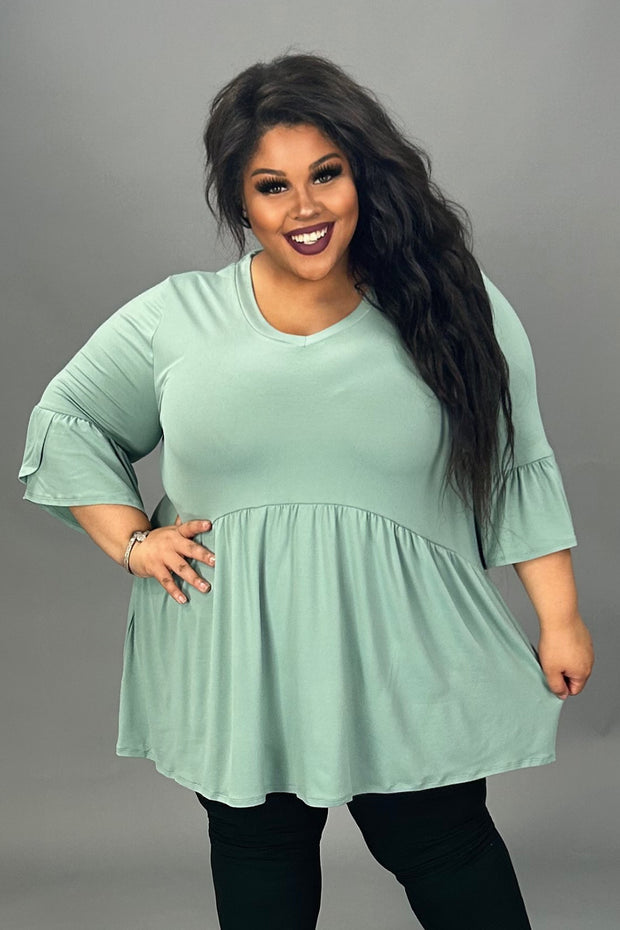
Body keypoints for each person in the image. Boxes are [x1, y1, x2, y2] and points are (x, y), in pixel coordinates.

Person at [18, 52, 594, 930]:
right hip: (237, 657)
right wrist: (133, 540)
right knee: (259, 856)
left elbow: (516, 463)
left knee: (444, 845)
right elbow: (68, 422)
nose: (306, 208)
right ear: (240, 202)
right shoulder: (178, 317)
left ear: (363, 175)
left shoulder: (452, 306)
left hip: (403, 656)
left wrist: (560, 617)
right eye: (272, 187)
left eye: (326, 175)